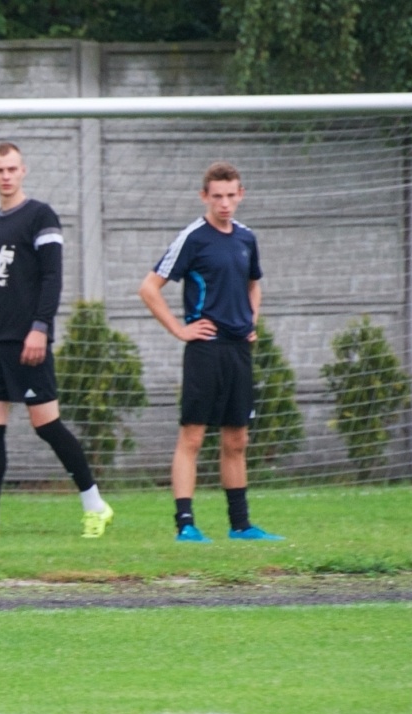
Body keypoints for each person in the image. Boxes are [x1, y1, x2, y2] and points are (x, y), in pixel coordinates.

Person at [0, 142, 113, 540]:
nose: (6, 176)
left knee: (47, 424)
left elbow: (52, 277)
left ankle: (96, 504)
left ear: (23, 171)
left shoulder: (41, 216)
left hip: (27, 342)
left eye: (12, 169)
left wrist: (40, 327)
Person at [138, 161, 283, 543]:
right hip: (205, 351)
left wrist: (251, 321)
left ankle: (241, 526)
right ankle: (186, 525)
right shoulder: (193, 238)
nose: (224, 203)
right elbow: (149, 288)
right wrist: (180, 330)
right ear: (205, 196)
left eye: (231, 195)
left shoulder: (246, 239)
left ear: (241, 195)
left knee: (237, 440)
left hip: (238, 352)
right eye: (217, 196)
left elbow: (254, 285)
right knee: (193, 438)